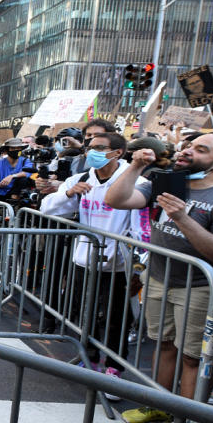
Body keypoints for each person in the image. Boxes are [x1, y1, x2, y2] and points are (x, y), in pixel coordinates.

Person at [105, 132, 213, 423]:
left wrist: (181, 217)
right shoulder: (167, 180)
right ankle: (160, 407)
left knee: (193, 358)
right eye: (189, 146)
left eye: (201, 150)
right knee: (163, 344)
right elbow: (115, 200)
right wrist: (135, 166)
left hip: (198, 287)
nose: (188, 151)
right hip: (159, 278)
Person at [40, 132, 151, 397]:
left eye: (100, 148)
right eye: (90, 148)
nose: (92, 152)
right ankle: (87, 356)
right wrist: (68, 193)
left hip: (118, 263)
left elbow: (141, 228)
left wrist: (139, 264)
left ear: (118, 152)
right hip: (84, 258)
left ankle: (113, 368)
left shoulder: (139, 181)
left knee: (115, 318)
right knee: (84, 311)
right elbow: (47, 209)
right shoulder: (80, 178)